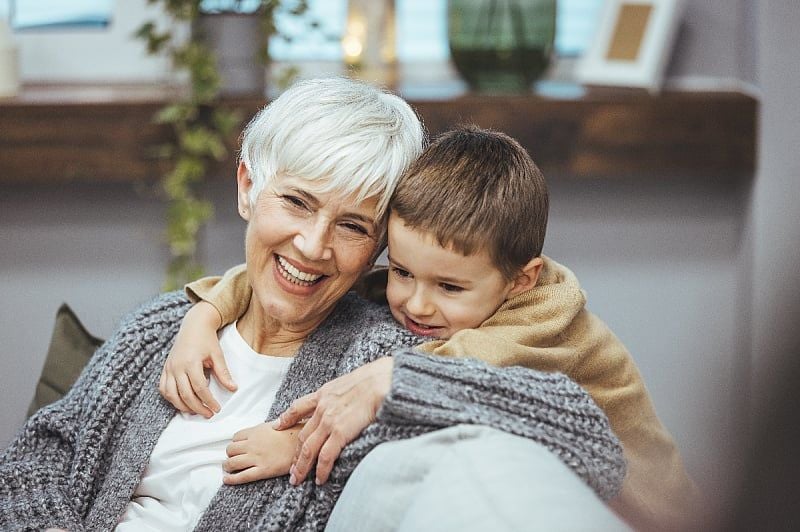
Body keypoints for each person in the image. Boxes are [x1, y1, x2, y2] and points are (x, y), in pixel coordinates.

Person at [0, 79, 625, 531]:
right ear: (249, 188)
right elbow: (44, 452)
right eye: (296, 202)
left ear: (381, 245)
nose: (313, 246)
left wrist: (397, 381)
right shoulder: (164, 327)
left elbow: (588, 440)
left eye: (353, 226)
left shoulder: (389, 351)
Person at [166, 125, 700, 530]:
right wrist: (207, 312)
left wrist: (302, 443)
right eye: (400, 271)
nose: (414, 304)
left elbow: (438, 402)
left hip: (637, 511)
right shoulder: (446, 283)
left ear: (522, 280)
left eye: (448, 288)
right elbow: (319, 276)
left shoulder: (536, 323)